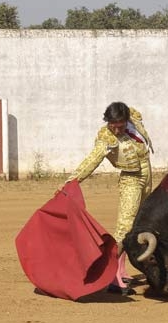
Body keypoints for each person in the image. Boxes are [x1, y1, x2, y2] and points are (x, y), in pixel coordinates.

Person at [62, 102, 153, 295]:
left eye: (120, 123)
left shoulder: (133, 119)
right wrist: (72, 181)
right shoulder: (106, 137)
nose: (117, 128)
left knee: (140, 222)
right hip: (131, 179)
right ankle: (112, 277)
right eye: (113, 124)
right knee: (125, 226)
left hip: (147, 175)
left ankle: (121, 269)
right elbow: (92, 160)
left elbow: (136, 116)